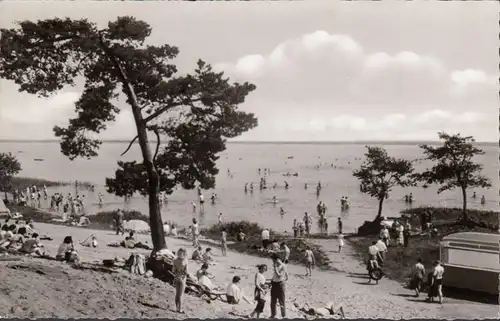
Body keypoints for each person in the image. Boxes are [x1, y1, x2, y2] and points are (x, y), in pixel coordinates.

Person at [270, 254, 287, 318]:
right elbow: (274, 276)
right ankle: (273, 315)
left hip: (280, 284)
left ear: (276, 259)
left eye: (273, 260)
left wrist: (275, 268)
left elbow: (279, 275)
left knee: (281, 301)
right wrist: (271, 281)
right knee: (273, 301)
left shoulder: (283, 266)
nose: (272, 261)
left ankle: (283, 316)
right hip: (274, 284)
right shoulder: (276, 265)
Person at [172, 248, 188, 313]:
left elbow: (173, 271)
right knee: (181, 295)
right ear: (184, 253)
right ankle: (180, 309)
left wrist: (177, 272)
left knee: (177, 294)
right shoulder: (185, 261)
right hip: (182, 278)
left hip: (177, 277)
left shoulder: (175, 260)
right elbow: (186, 272)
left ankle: (176, 308)